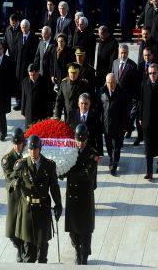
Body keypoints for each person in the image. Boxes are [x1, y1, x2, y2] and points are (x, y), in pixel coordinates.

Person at [12, 135, 62, 263]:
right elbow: (11, 179)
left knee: (42, 251)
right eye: (30, 149)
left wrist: (58, 205)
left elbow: (54, 187)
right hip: (27, 210)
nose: (32, 152)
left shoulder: (49, 165)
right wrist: (15, 183)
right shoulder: (22, 165)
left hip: (43, 209)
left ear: (40, 149)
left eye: (35, 149)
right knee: (28, 253)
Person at [61, 124, 98, 265]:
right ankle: (77, 249)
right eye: (78, 140)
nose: (80, 143)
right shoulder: (69, 151)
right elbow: (63, 170)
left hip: (85, 196)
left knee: (85, 229)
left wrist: (71, 174)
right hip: (72, 195)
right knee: (73, 230)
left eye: (83, 140)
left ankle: (84, 254)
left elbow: (87, 174)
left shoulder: (92, 153)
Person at [1, 128, 26, 262]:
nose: (18, 146)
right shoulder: (7, 159)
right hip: (15, 196)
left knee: (25, 226)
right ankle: (19, 248)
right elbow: (8, 177)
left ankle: (24, 250)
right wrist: (17, 172)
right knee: (12, 229)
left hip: (26, 195)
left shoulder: (28, 154)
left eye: (20, 144)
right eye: (15, 144)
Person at [97, 73, 129, 176]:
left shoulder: (122, 93)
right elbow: (99, 109)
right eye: (108, 83)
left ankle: (113, 165)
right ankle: (112, 159)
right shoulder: (102, 92)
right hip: (106, 126)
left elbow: (125, 111)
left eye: (112, 83)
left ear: (116, 82)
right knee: (109, 146)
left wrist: (125, 126)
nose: (110, 85)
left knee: (116, 147)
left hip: (118, 126)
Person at [54, 62, 90, 127]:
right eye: (71, 73)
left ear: (78, 73)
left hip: (79, 117)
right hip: (67, 116)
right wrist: (57, 116)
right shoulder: (64, 83)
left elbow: (88, 101)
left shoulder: (84, 84)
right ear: (68, 72)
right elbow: (59, 101)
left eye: (74, 73)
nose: (72, 75)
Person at [14, 19, 39, 111]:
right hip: (18, 65)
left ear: (29, 27)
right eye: (22, 27)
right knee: (18, 83)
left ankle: (26, 102)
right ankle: (19, 102)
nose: (24, 29)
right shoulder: (19, 36)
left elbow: (35, 54)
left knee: (26, 84)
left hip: (28, 66)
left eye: (25, 27)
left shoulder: (34, 38)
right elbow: (16, 50)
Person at [21, 64, 54, 128]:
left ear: (38, 72)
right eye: (30, 75)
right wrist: (23, 111)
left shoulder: (45, 82)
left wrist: (49, 114)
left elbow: (49, 99)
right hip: (29, 113)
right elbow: (23, 97)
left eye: (34, 75)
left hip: (41, 113)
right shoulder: (24, 82)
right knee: (29, 133)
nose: (32, 77)